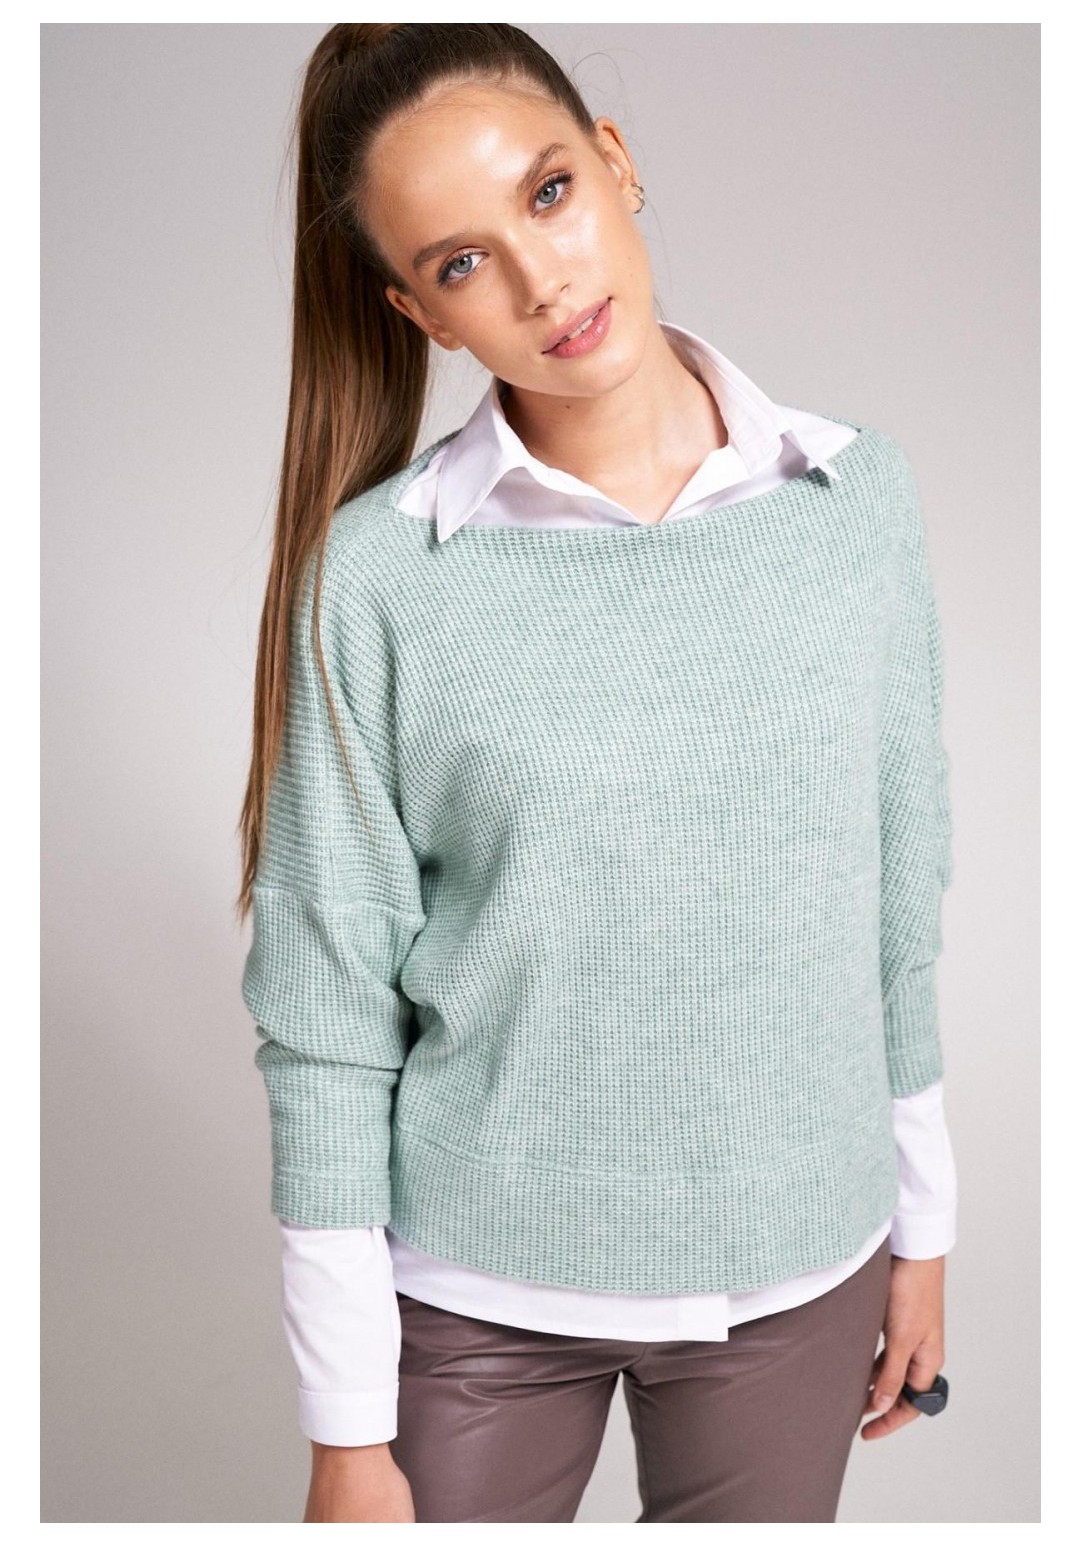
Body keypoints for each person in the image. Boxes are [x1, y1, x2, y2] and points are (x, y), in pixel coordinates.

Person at [236, 21, 957, 1525]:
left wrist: (923, 1226)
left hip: (797, 1267)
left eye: (549, 192)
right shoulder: (380, 576)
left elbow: (897, 897)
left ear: (616, 164)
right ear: (420, 312)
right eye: (462, 262)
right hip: (476, 1293)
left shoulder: (854, 500)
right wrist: (345, 1430)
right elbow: (325, 1019)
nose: (541, 280)